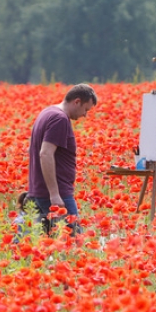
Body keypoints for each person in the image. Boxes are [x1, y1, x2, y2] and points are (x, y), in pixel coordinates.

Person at [25, 84, 98, 236]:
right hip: (56, 195)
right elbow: (45, 153)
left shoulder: (47, 112)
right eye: (86, 109)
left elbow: (31, 149)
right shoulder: (60, 119)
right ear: (76, 101)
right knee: (74, 243)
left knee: (48, 246)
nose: (85, 115)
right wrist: (54, 194)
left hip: (39, 192)